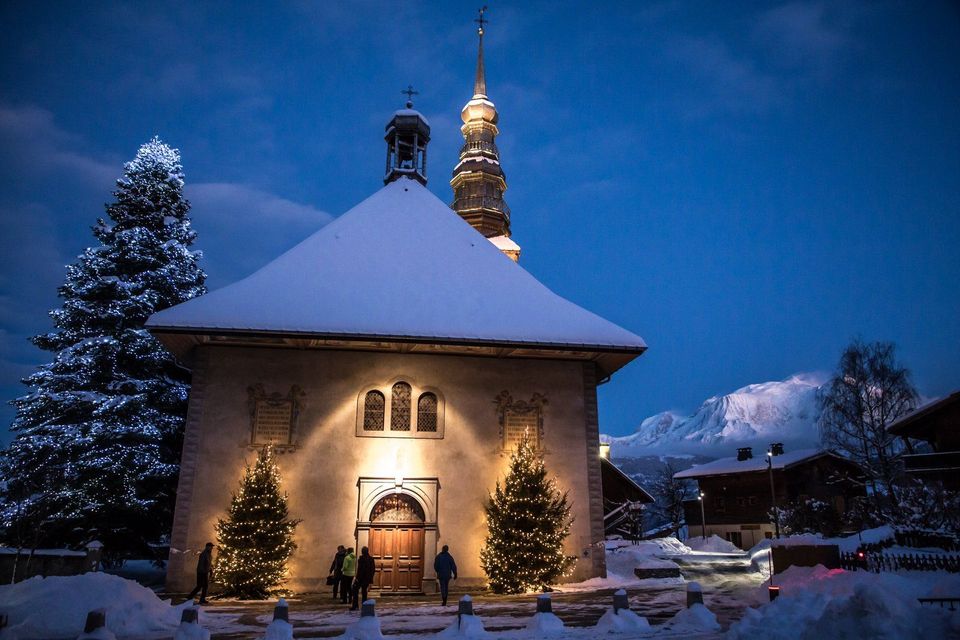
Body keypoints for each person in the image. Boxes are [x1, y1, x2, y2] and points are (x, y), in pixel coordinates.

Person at [351, 546, 376, 611]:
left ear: (362, 552)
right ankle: (364, 606)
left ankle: (355, 605)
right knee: (364, 592)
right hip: (367, 579)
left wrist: (357, 578)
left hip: (360, 578)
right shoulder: (371, 559)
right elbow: (373, 569)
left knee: (355, 590)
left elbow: (360, 570)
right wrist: (370, 578)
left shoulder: (361, 559)